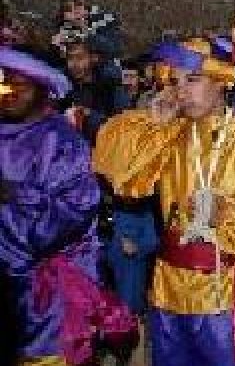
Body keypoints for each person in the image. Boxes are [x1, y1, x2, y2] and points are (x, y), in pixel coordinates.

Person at [93, 38, 235, 366]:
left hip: (229, 296)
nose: (181, 91)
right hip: (170, 294)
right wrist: (151, 123)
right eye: (174, 82)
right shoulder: (168, 137)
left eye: (192, 80)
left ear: (220, 79)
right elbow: (121, 176)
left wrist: (227, 213)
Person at [0, 45, 135, 365]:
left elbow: (61, 221)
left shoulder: (63, 144)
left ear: (42, 88)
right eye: (2, 82)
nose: (6, 92)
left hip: (45, 306)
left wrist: (13, 196)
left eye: (18, 84)